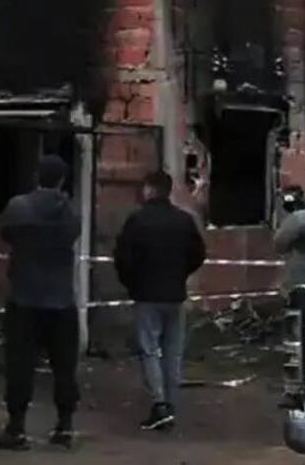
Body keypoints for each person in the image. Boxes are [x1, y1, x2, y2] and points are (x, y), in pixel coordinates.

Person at [0, 155, 82, 451]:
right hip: (61, 299)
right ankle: (65, 427)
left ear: (36, 177)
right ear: (62, 181)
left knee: (20, 366)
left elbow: (5, 233)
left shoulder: (19, 207)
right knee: (64, 367)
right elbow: (73, 232)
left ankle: (16, 428)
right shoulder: (69, 211)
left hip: (25, 298)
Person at [116, 170, 206, 431]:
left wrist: (133, 283)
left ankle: (159, 404)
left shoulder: (137, 221)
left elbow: (123, 259)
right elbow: (198, 254)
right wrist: (180, 274)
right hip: (175, 294)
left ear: (149, 189)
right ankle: (170, 401)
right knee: (172, 351)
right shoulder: (183, 221)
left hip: (146, 294)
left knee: (149, 349)